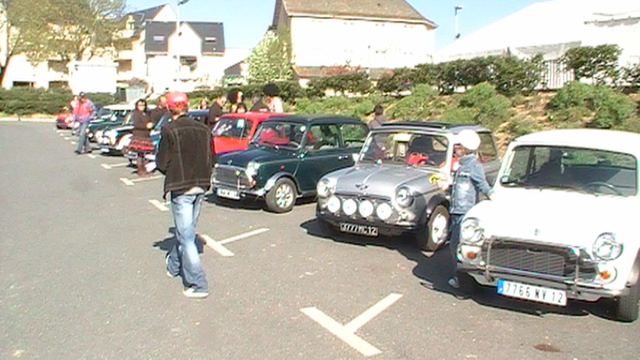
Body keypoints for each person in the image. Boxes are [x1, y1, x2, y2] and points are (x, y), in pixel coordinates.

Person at [157, 91, 214, 299]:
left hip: (181, 187)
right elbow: (212, 158)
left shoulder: (169, 130)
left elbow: (162, 162)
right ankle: (173, 265)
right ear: (187, 106)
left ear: (169, 108)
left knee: (187, 237)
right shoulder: (204, 129)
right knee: (187, 232)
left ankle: (199, 283)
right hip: (201, 185)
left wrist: (170, 170)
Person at [437, 129, 493, 289]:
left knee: (458, 245)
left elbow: (483, 185)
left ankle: (461, 279)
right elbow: (458, 189)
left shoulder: (474, 166)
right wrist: (445, 188)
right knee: (455, 244)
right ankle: (460, 277)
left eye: (458, 145)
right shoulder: (461, 166)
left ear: (465, 147)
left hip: (465, 211)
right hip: (457, 210)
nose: (455, 148)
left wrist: (493, 195)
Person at [129, 99, 154, 177]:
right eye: (140, 105)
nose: (142, 107)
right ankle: (141, 171)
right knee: (140, 154)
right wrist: (146, 126)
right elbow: (136, 124)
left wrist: (151, 125)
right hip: (139, 136)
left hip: (146, 136)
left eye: (143, 105)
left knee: (146, 155)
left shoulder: (146, 113)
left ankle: (145, 169)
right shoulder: (136, 114)